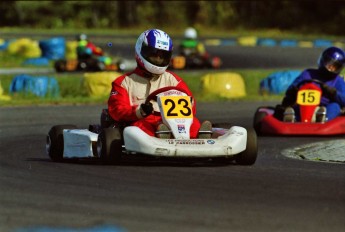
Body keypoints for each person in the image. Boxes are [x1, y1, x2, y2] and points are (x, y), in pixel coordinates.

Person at [107, 29, 212, 139]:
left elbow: (191, 108)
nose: (158, 59)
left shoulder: (174, 80)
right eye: (154, 54)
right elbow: (117, 110)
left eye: (162, 56)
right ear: (140, 49)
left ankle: (201, 137)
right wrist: (139, 111)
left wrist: (189, 105)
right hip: (141, 121)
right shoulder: (123, 82)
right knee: (140, 128)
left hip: (173, 122)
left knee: (194, 124)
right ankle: (162, 136)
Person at [274, 46, 345, 123]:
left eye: (334, 66)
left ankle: (324, 118)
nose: (331, 68)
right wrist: (295, 89)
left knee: (335, 106)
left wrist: (333, 93)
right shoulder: (308, 73)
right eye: (329, 64)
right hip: (304, 106)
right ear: (323, 61)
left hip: (325, 107)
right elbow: (289, 91)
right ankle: (292, 117)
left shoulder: (338, 81)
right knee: (294, 106)